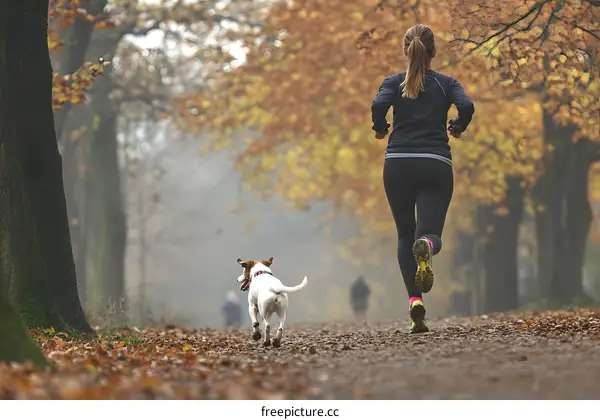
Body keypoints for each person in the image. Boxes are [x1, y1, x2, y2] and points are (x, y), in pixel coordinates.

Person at [371, 24, 475, 334]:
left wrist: (380, 127)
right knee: (428, 234)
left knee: (404, 235)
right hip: (435, 163)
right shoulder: (446, 83)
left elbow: (379, 105)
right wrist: (458, 126)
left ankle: (415, 301)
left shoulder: (393, 82)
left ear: (405, 50)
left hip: (398, 163)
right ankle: (427, 244)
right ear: (433, 52)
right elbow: (467, 106)